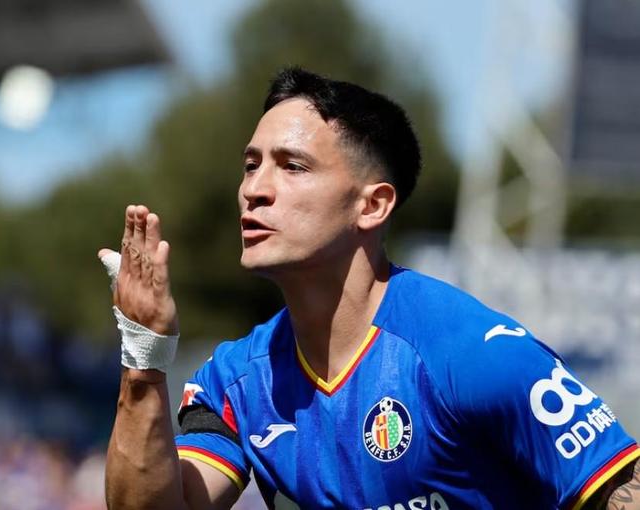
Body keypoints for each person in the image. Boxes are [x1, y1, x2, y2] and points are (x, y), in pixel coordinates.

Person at [99, 68, 640, 510]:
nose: (255, 190)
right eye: (250, 165)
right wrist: (144, 355)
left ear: (372, 205)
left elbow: (620, 488)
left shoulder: (471, 354)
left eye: (293, 166)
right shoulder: (235, 381)